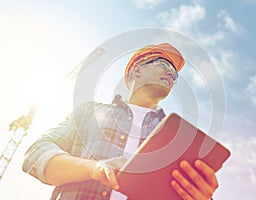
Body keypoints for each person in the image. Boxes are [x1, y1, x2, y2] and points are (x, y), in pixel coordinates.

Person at [22, 43, 218, 200]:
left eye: (175, 75)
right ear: (136, 70)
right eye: (165, 65)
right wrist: (93, 169)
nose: (171, 74)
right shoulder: (89, 112)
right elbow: (36, 154)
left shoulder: (177, 138)